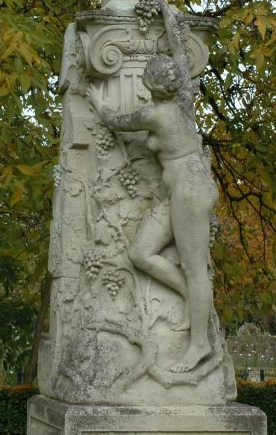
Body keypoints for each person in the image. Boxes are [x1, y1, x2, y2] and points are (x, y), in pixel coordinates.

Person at [88, 50, 219, 373]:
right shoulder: (185, 100)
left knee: (194, 267)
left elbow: (116, 121)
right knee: (140, 252)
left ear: (150, 84)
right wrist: (163, 10)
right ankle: (190, 298)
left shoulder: (155, 115)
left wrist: (97, 100)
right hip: (179, 191)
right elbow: (178, 43)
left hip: (190, 190)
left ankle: (200, 343)